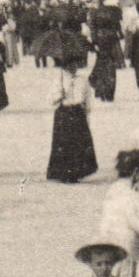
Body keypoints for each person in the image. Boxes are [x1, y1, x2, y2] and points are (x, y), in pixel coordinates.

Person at [98, 149, 139, 277]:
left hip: (107, 253)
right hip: (127, 258)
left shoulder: (113, 191)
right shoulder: (133, 198)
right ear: (137, 172)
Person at [47, 55, 98, 183]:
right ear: (65, 67)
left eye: (75, 65)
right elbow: (51, 99)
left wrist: (87, 113)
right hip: (63, 114)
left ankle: (77, 172)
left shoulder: (83, 81)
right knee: (64, 144)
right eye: (70, 65)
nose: (73, 68)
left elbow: (87, 99)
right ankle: (63, 172)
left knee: (78, 143)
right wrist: (59, 95)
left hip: (77, 114)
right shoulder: (59, 80)